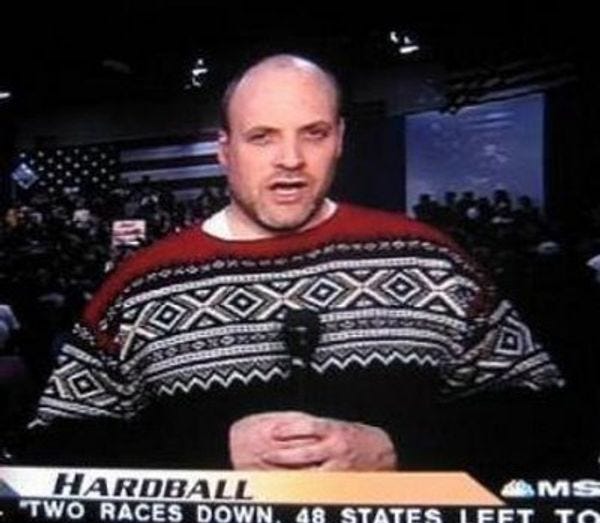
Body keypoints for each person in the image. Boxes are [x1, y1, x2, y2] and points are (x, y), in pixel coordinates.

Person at [22, 55, 567, 475]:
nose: (290, 160)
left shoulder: (432, 260)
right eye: (262, 137)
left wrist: (398, 447)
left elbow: (549, 420)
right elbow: (53, 448)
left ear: (340, 140)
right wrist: (206, 450)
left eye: (314, 133)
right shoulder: (137, 286)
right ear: (224, 151)